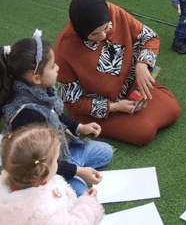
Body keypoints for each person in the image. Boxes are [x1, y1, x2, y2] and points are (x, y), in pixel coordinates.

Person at [55, 0, 180, 146]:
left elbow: (150, 38)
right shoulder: (65, 48)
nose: (102, 36)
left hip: (129, 87)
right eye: (94, 34)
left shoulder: (110, 12)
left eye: (107, 28)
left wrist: (142, 64)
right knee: (144, 132)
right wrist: (114, 107)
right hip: (99, 106)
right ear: (81, 31)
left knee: (173, 109)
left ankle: (139, 97)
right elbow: (73, 102)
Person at [0, 32, 113, 197]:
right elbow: (39, 162)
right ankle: (69, 174)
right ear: (36, 78)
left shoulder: (38, 91)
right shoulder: (27, 115)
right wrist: (78, 172)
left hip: (60, 152)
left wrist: (80, 127)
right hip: (45, 166)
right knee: (83, 196)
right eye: (52, 66)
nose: (57, 67)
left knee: (106, 151)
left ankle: (74, 166)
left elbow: (55, 117)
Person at [0, 125, 104, 225]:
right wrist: (88, 204)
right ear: (42, 170)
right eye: (56, 159)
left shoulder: (15, 177)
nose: (58, 162)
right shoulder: (47, 210)